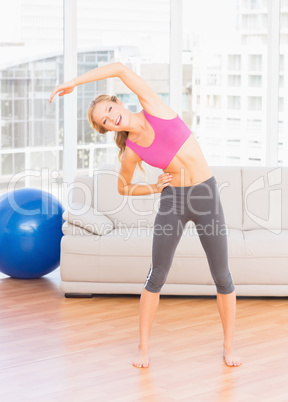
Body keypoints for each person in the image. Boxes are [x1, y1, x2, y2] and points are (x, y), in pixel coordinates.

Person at [49, 61, 242, 368]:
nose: (112, 119)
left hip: (206, 194)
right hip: (173, 202)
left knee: (223, 276)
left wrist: (73, 82)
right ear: (109, 129)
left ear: (117, 103)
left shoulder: (153, 106)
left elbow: (118, 68)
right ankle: (143, 348)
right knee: (156, 276)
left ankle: (229, 347)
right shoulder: (132, 152)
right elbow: (123, 187)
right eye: (106, 122)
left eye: (109, 110)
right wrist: (153, 187)